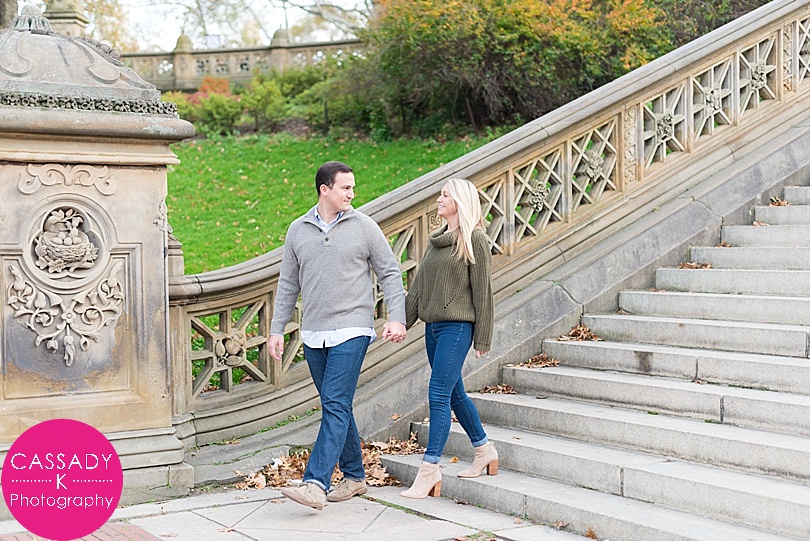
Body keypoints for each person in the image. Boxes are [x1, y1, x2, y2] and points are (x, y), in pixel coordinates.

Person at [268, 161, 407, 510]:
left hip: (353, 328)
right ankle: (355, 476)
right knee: (337, 404)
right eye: (345, 188)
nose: (352, 194)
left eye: (352, 187)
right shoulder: (297, 230)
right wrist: (276, 329)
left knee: (333, 402)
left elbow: (390, 273)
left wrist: (397, 318)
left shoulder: (364, 227)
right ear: (324, 189)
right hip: (314, 333)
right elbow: (287, 284)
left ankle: (315, 483)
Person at [401, 178, 497, 499]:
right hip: (433, 329)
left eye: (445, 195)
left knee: (438, 393)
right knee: (455, 394)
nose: (439, 199)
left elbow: (483, 292)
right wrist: (402, 323)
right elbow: (418, 289)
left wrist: (482, 337)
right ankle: (484, 450)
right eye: (440, 194)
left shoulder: (475, 239)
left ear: (460, 201)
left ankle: (429, 469)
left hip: (457, 329)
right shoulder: (437, 241)